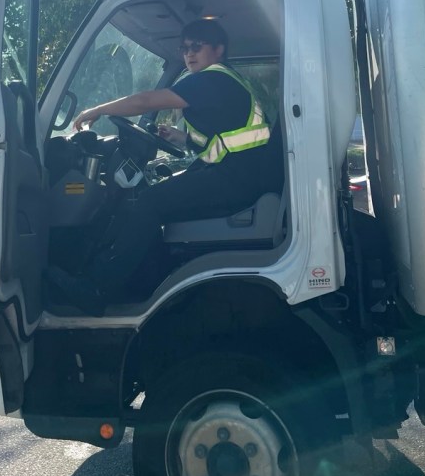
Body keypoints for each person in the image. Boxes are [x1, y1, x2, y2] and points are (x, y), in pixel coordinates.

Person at [45, 19, 272, 314]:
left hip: (233, 180)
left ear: (219, 50)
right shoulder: (224, 81)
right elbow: (223, 143)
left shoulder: (212, 78)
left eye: (197, 46)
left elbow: (145, 101)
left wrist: (98, 109)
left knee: (149, 202)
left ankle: (96, 288)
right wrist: (181, 137)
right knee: (152, 197)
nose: (189, 54)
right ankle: (137, 276)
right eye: (184, 48)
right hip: (238, 174)